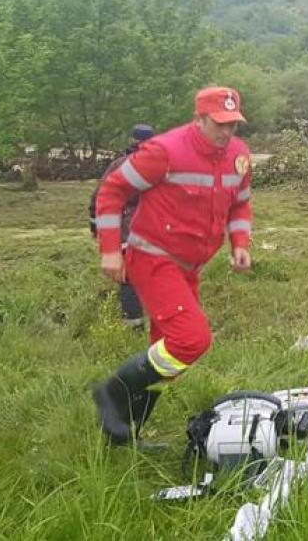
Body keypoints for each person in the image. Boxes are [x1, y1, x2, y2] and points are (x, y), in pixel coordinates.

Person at [91, 86, 253, 446]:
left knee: (166, 355)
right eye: (218, 125)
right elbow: (111, 191)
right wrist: (109, 250)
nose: (227, 133)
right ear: (198, 119)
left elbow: (240, 203)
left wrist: (239, 243)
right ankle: (111, 393)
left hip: (189, 266)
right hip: (152, 257)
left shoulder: (239, 156)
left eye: (233, 125)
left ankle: (126, 433)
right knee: (191, 339)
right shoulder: (164, 151)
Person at [88, 123, 154, 328]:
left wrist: (94, 226)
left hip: (127, 231)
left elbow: (100, 198)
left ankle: (133, 326)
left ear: (133, 140)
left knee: (128, 278)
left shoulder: (118, 166)